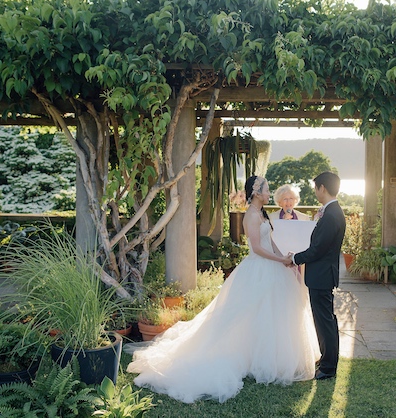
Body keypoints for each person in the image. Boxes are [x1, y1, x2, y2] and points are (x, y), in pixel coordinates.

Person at [125, 176, 320, 403]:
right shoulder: (250, 215)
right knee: (248, 313)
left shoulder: (262, 213)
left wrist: (285, 256)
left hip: (274, 266)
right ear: (256, 192)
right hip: (259, 268)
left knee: (272, 313)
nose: (269, 193)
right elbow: (257, 248)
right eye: (267, 190)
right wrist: (279, 260)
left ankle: (269, 357)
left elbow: (271, 241)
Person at [291, 171, 346, 380]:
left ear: (322, 188)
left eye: (315, 188)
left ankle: (328, 367)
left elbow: (317, 250)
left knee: (325, 322)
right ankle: (326, 360)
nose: (315, 192)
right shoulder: (332, 212)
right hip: (322, 275)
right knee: (325, 320)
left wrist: (295, 258)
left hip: (322, 276)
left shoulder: (331, 215)